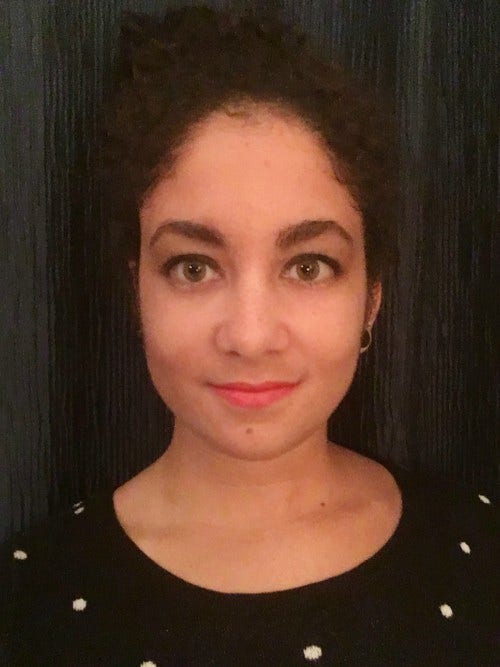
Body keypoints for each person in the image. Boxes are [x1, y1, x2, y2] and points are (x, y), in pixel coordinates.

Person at [1, 5, 498, 665]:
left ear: (372, 299)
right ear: (137, 288)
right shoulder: (27, 601)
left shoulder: (480, 554)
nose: (251, 336)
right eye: (194, 267)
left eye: (308, 266)